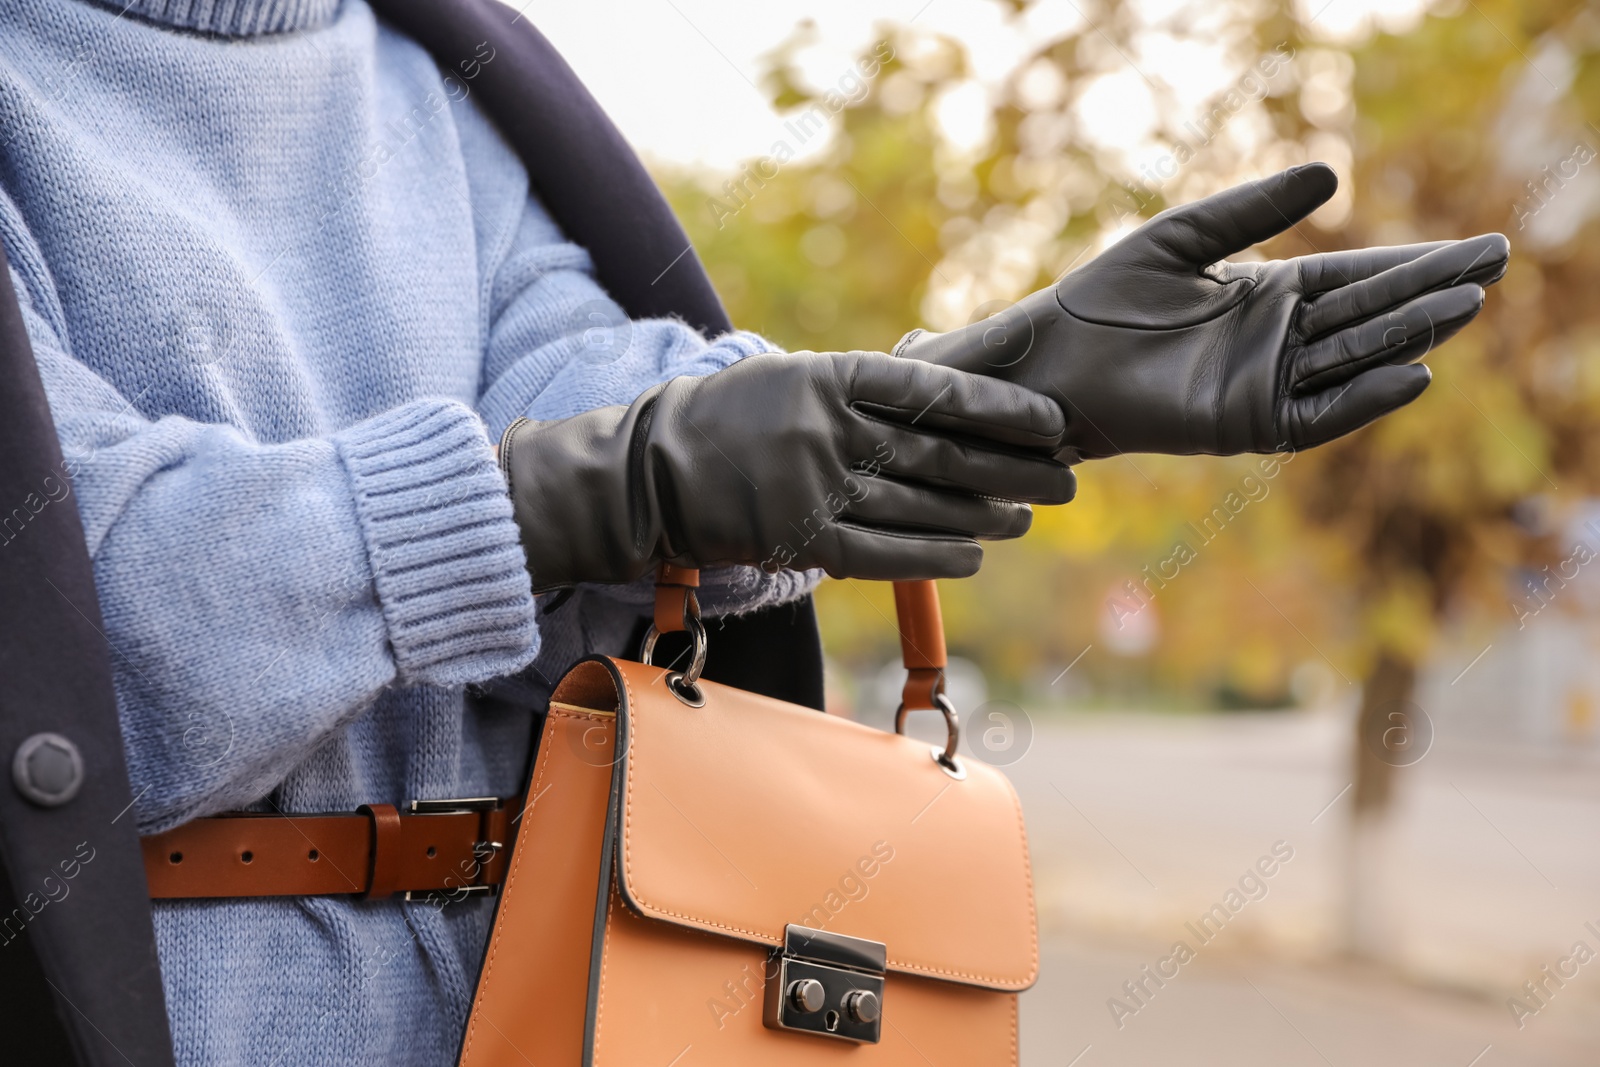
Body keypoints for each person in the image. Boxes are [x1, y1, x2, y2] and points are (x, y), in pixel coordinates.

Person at [0, 1, 1504, 1064]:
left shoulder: (442, 84)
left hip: (550, 1021)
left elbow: (616, 410)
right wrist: (584, 490)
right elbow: (86, 611)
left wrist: (1003, 382)